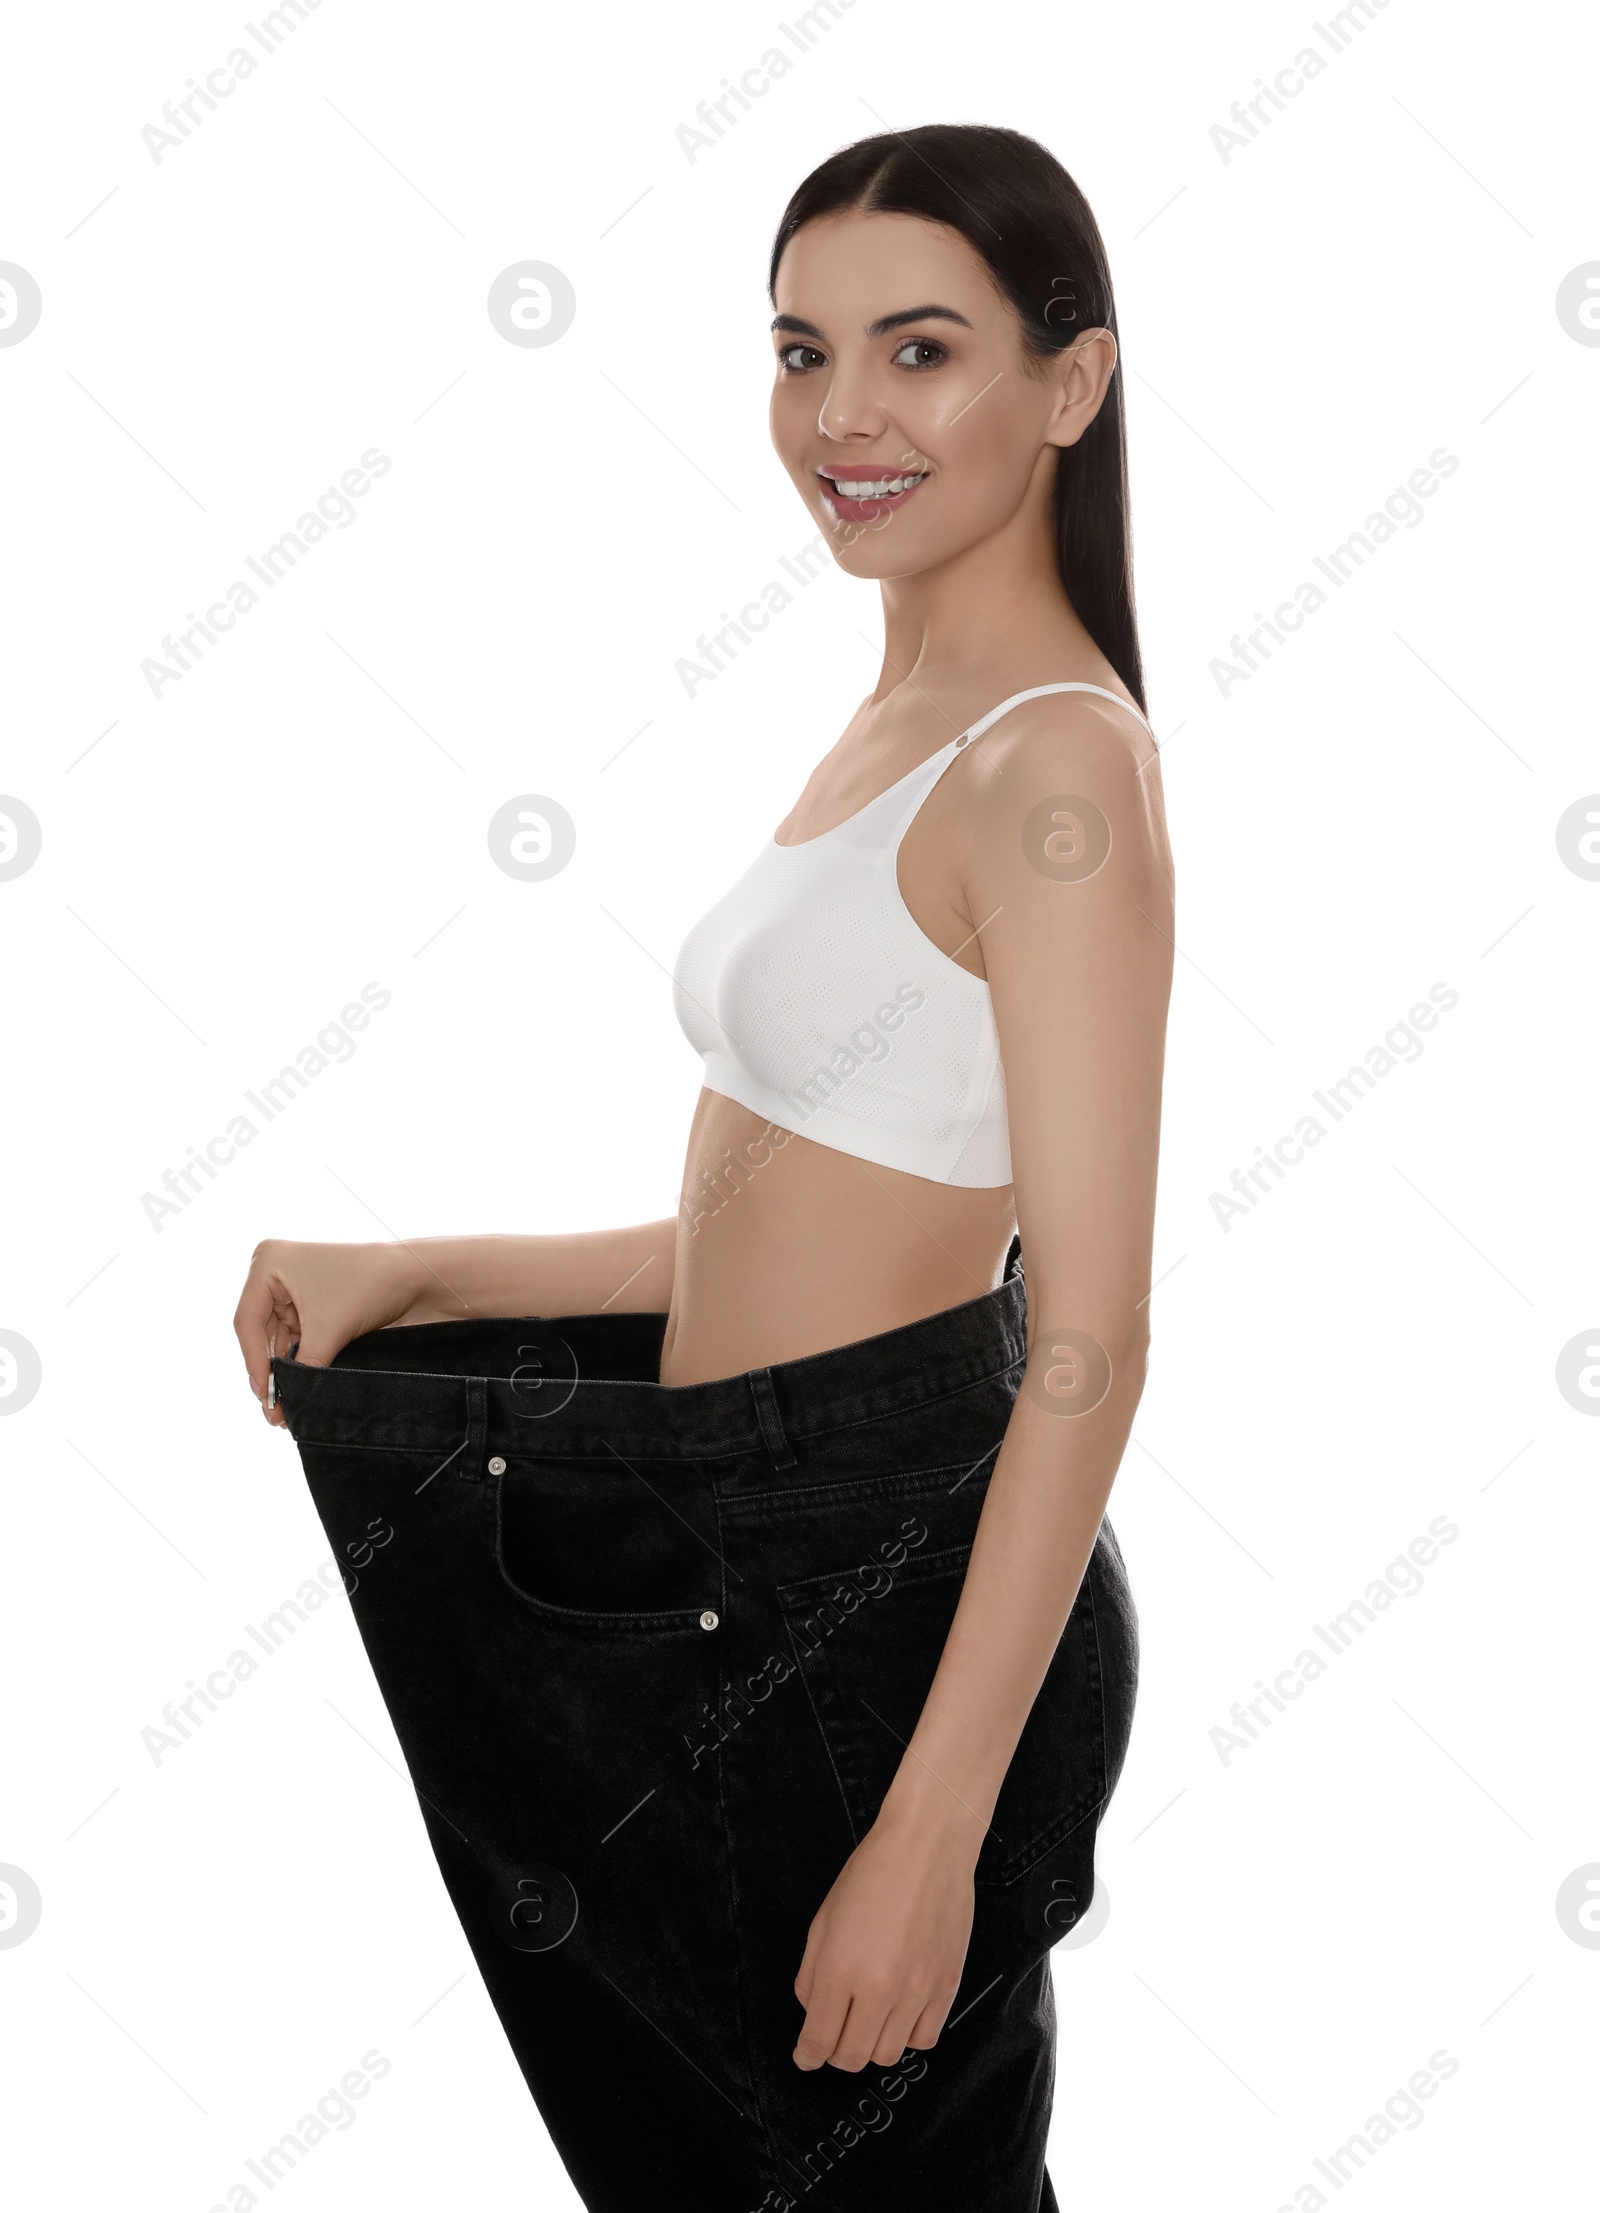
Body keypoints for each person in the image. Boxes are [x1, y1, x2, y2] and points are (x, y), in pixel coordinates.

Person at [235, 122, 1173, 2213]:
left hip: (881, 1601)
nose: (838, 416)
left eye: (917, 350)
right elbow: (803, 1233)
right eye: (796, 349)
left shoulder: (1052, 772)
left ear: (1068, 383)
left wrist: (927, 1836)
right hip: (756, 1526)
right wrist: (420, 1271)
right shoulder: (904, 710)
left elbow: (1086, 1335)